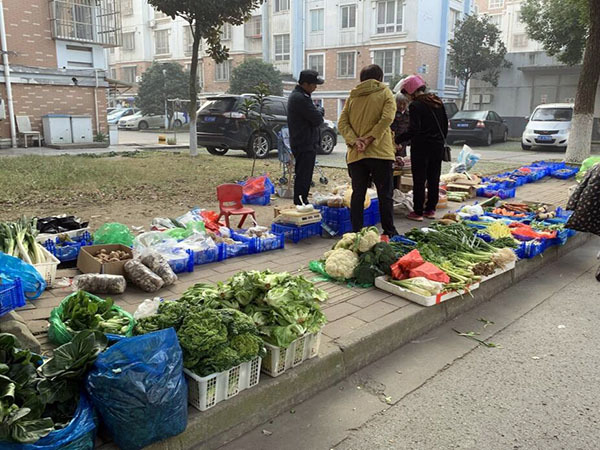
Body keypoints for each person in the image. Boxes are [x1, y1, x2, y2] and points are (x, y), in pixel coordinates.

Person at [338, 64, 399, 238]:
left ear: (361, 79)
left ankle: (356, 231)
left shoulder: (353, 96)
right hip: (380, 152)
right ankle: (389, 231)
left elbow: (342, 123)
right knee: (384, 193)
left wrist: (355, 140)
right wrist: (370, 138)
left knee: (358, 193)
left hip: (357, 153)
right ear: (380, 78)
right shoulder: (385, 92)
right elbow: (387, 117)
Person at [395, 75, 448, 221]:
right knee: (433, 178)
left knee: (419, 179)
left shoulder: (416, 105)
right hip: (437, 147)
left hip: (421, 148)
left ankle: (417, 212)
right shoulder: (437, 101)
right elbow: (444, 126)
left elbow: (414, 130)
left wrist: (397, 140)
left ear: (411, 91)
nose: (407, 98)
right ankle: (430, 209)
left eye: (406, 94)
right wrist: (438, 140)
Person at [287, 69, 325, 205]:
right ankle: (301, 202)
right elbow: (317, 119)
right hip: (304, 143)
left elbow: (315, 115)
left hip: (304, 142)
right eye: (314, 84)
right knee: (304, 175)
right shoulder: (300, 98)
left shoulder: (302, 96)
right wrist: (319, 110)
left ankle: (301, 200)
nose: (315, 87)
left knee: (305, 175)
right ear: (305, 84)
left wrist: (317, 110)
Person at [565, 162, 600, 281]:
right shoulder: (597, 168)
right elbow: (585, 190)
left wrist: (572, 205)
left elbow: (581, 189)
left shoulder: (596, 167)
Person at [390, 92, 410, 188]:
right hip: (390, 147)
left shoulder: (409, 114)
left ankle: (397, 189)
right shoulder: (390, 113)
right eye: (399, 103)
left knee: (400, 169)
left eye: (404, 104)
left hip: (402, 147)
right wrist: (394, 143)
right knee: (390, 170)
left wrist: (403, 143)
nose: (402, 106)